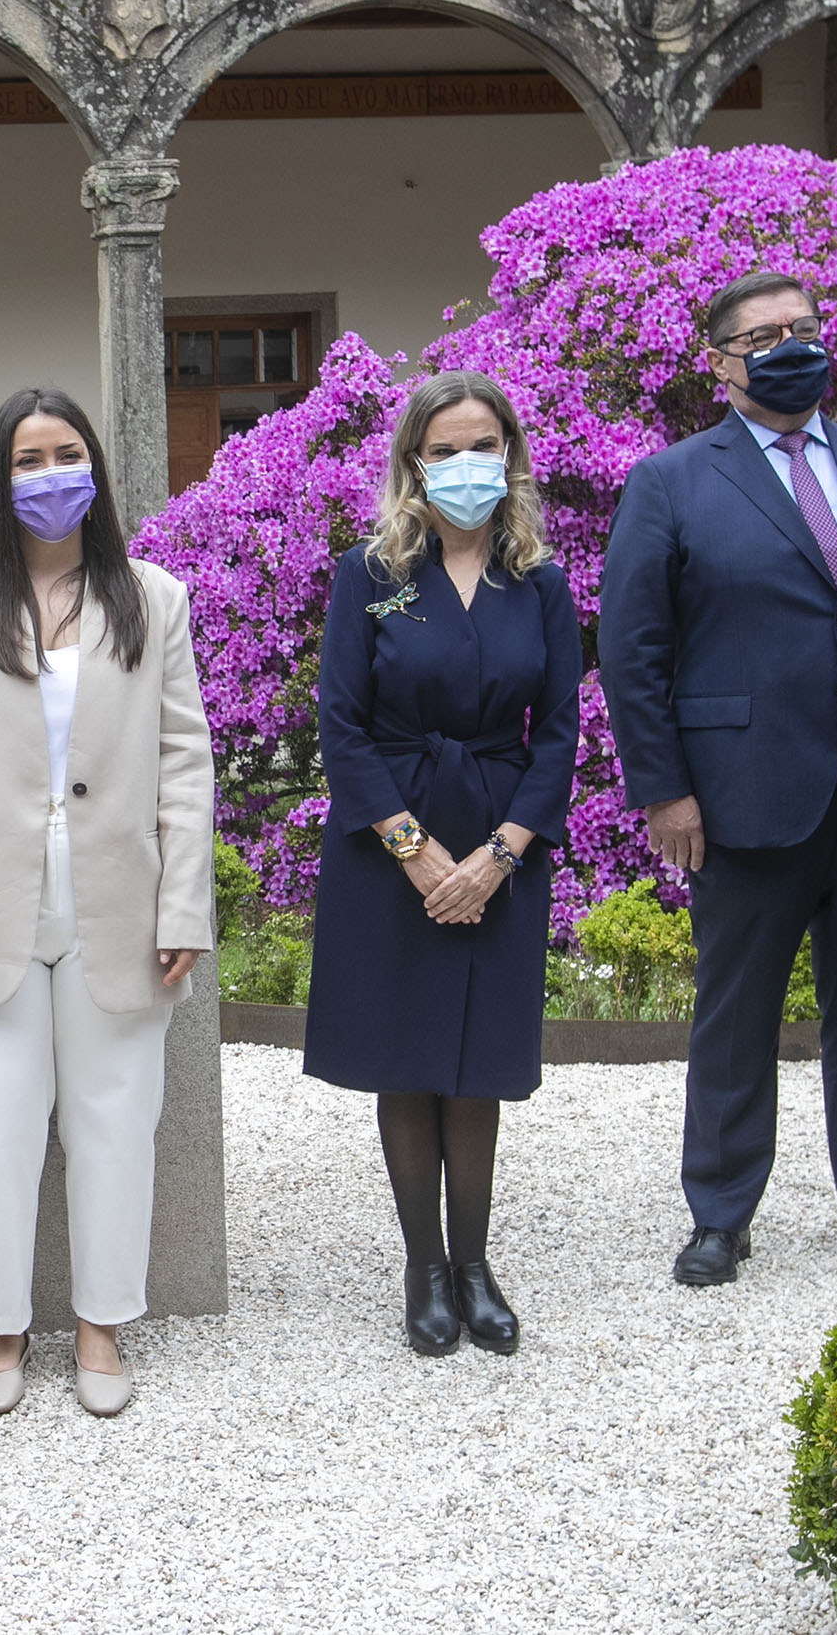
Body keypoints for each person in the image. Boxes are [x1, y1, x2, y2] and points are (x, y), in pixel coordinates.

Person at [603, 272, 837, 1287]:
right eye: (763, 336)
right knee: (736, 1016)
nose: (790, 346)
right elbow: (632, 653)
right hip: (741, 796)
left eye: (803, 328)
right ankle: (720, 1214)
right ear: (718, 362)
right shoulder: (670, 482)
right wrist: (663, 790)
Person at [0, 388, 215, 1418]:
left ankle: (100, 1323)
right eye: (26, 459)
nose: (48, 476)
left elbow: (184, 761)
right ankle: (0, 1326)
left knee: (114, 1117)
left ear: (95, 470)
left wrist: (183, 906)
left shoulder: (151, 597)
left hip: (119, 897)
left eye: (65, 454)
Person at [303, 371, 582, 1358]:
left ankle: (474, 1264)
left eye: (483, 447)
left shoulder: (540, 583)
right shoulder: (370, 574)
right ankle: (423, 1265)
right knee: (409, 1055)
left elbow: (557, 733)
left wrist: (500, 856)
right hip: (391, 845)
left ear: (510, 457)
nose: (467, 464)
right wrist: (416, 855)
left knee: (476, 1062)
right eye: (446, 449)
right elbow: (341, 726)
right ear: (414, 463)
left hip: (501, 837)